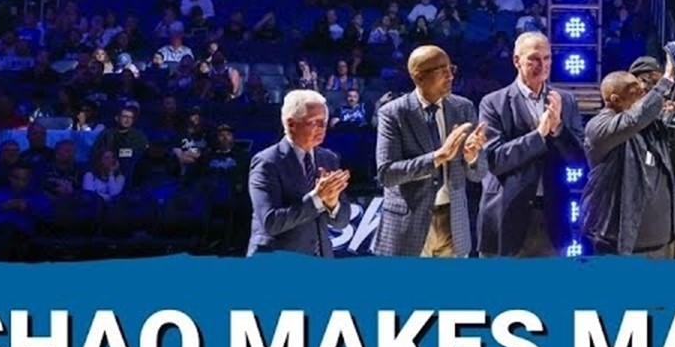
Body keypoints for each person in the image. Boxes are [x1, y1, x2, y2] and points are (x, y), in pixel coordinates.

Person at [476, 32, 586, 257]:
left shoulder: (565, 100)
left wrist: (558, 130)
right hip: (507, 215)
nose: (542, 65)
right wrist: (539, 134)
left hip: (553, 215)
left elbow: (580, 158)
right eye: (534, 59)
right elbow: (495, 161)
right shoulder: (493, 103)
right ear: (517, 60)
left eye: (547, 58)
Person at [374, 45, 486, 258]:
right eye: (442, 70)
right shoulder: (393, 113)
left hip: (453, 222)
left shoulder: (464, 108)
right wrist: (438, 157)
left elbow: (478, 173)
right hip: (409, 224)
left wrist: (472, 158)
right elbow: (387, 174)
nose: (450, 76)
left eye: (451, 68)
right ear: (418, 76)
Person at [582, 58, 675, 257]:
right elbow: (634, 119)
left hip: (662, 242)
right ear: (615, 99)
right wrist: (666, 80)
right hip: (620, 244)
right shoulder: (599, 127)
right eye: (635, 91)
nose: (643, 93)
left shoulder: (651, 124)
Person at [247, 89, 351, 256]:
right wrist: (317, 199)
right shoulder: (267, 162)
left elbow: (342, 222)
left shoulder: (329, 159)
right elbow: (271, 222)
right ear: (291, 124)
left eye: (324, 122)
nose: (322, 128)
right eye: (314, 122)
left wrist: (332, 204)